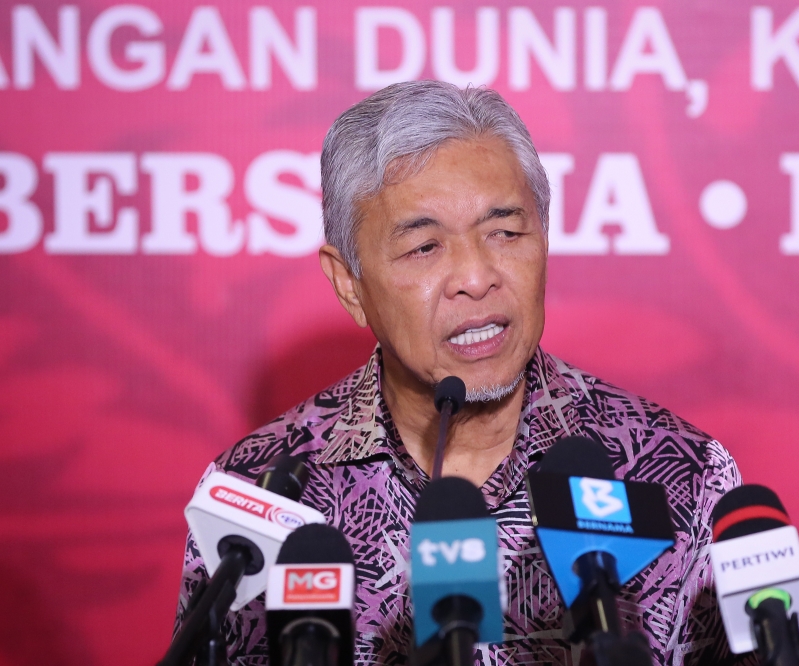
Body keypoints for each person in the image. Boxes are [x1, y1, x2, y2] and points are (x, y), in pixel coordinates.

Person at [173, 80, 754, 665]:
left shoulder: (680, 472)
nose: (476, 277)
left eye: (504, 232)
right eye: (424, 247)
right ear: (350, 284)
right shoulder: (254, 497)